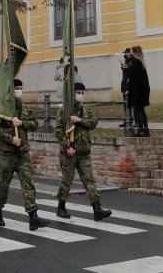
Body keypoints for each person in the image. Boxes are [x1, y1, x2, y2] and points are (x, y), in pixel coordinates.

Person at [0, 79, 49, 230]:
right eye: (16, 88)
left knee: (28, 184)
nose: (19, 90)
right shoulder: (1, 108)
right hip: (7, 154)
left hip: (22, 153)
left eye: (21, 88)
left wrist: (22, 123)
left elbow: (34, 124)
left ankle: (33, 216)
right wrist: (11, 138)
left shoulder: (25, 108)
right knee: (3, 184)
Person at [55, 82, 112, 221]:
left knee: (89, 180)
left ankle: (97, 209)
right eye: (78, 92)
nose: (80, 95)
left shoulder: (86, 109)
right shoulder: (65, 110)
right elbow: (58, 131)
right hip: (70, 153)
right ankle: (61, 207)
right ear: (72, 93)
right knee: (66, 181)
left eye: (82, 92)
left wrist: (80, 120)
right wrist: (67, 146)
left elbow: (94, 123)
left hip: (84, 152)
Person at [126, 45, 151, 137]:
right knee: (142, 109)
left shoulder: (136, 62)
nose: (131, 54)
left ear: (136, 53)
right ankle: (146, 129)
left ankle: (140, 130)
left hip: (138, 91)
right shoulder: (141, 62)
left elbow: (130, 73)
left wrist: (124, 67)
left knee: (138, 110)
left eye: (132, 52)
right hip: (143, 90)